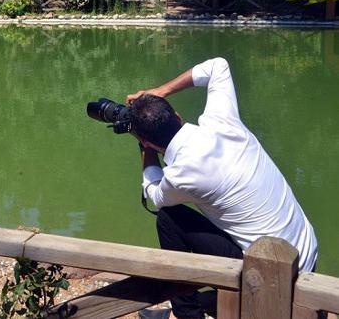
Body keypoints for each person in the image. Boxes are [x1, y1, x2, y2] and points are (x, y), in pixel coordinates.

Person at [126, 57, 317, 319]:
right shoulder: (223, 122)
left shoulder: (181, 174)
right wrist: (160, 92)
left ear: (147, 141)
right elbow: (218, 66)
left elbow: (155, 195)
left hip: (269, 274)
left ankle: (185, 315)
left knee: (169, 218)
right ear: (178, 117)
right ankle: (199, 304)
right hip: (305, 255)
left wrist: (145, 150)